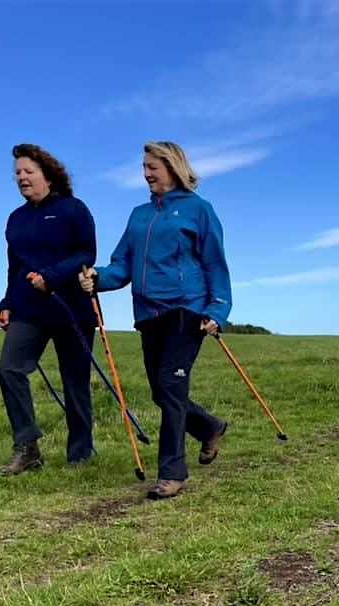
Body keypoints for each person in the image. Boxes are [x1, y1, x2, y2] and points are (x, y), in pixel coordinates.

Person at [80, 141, 231, 500]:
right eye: (144, 168)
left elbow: (214, 263)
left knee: (170, 386)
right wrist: (98, 277)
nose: (146, 174)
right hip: (148, 313)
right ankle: (210, 427)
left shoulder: (199, 210)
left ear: (173, 167)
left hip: (187, 308)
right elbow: (122, 265)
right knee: (160, 391)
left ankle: (172, 472)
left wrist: (218, 309)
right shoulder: (139, 215)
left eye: (153, 167)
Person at [0, 144, 97, 476]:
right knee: (9, 368)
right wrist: (6, 303)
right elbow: (14, 268)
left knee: (75, 382)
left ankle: (80, 454)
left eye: (28, 172)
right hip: (29, 310)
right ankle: (27, 448)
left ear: (48, 174)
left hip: (71, 308)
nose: (22, 178)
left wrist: (52, 278)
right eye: (18, 174)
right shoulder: (16, 219)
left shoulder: (72, 209)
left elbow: (86, 252)